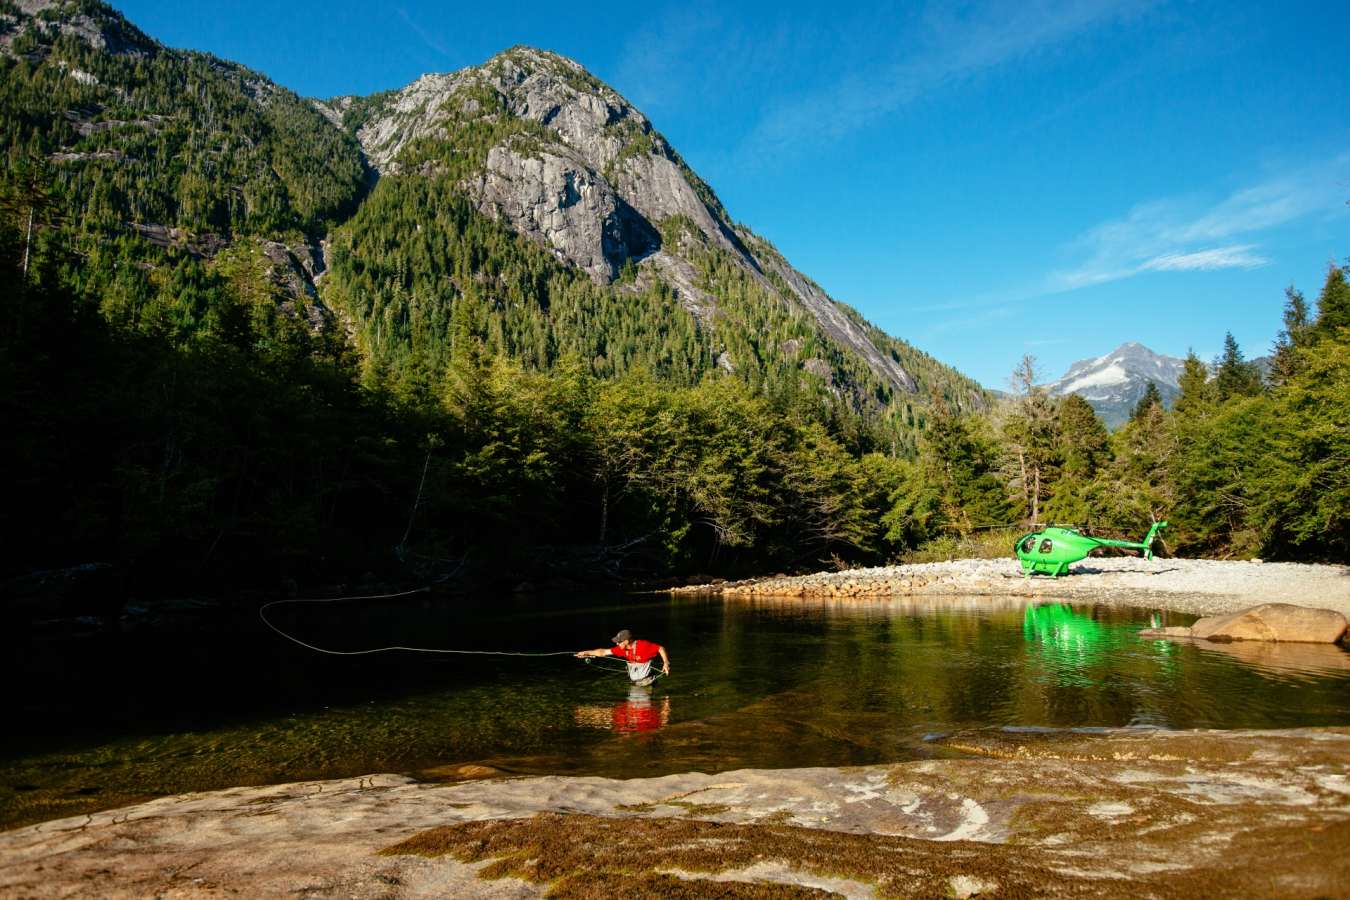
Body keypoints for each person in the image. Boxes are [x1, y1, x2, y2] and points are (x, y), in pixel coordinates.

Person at [575, 629, 670, 683]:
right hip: (635, 682)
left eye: (619, 642)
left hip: (647, 681)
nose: (617, 644)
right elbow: (603, 652)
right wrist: (586, 653)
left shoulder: (643, 645)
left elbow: (660, 648)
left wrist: (666, 663)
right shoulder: (622, 649)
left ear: (626, 641)